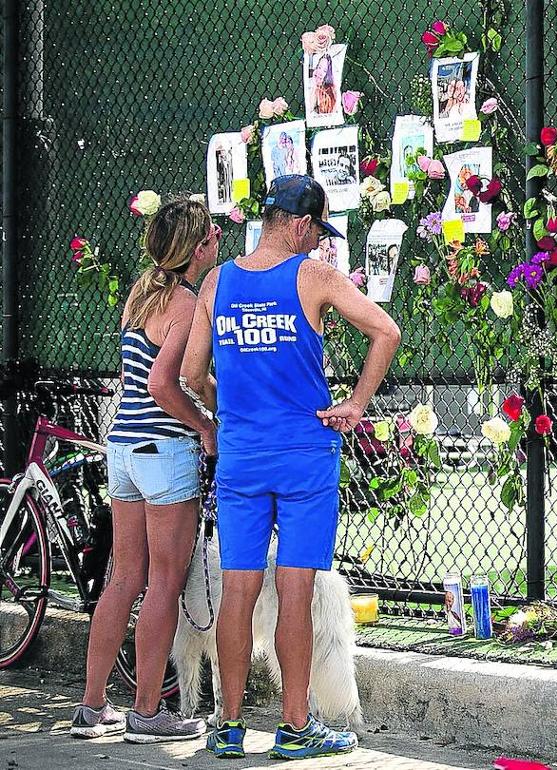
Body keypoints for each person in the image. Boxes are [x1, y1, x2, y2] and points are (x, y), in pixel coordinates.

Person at [182, 176, 400, 759]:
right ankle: (296, 727)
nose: (319, 244)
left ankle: (227, 726)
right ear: (300, 224)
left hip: (242, 457)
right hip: (305, 456)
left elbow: (188, 372)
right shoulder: (316, 278)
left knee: (238, 590)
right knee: (296, 591)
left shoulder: (216, 281)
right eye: (318, 232)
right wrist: (355, 403)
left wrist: (229, 406)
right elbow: (386, 330)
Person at [71, 197, 220, 742]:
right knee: (163, 583)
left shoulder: (143, 290)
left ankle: (92, 707)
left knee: (125, 577)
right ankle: (148, 712)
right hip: (163, 447)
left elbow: (148, 375)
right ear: (200, 246)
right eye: (212, 232)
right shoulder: (185, 301)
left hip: (124, 448)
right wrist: (206, 426)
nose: (219, 236)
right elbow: (163, 383)